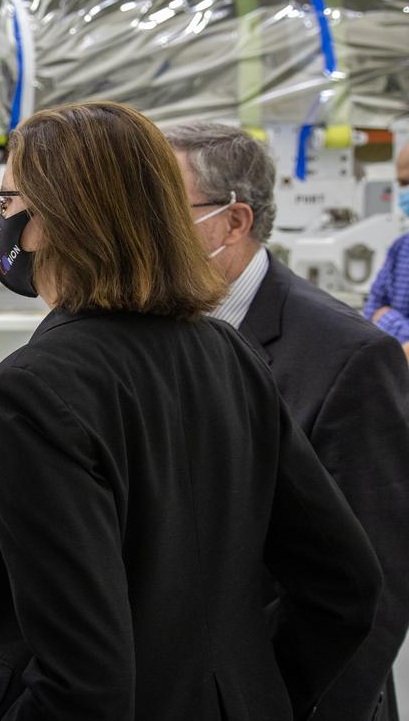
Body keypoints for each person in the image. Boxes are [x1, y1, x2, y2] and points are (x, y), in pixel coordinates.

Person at [0, 102, 382, 721]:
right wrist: (261, 693)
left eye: (7, 202)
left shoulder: (36, 388)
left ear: (52, 223)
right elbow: (348, 587)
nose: (2, 221)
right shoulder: (229, 352)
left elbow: (82, 682)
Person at [168, 122, 409, 721]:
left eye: (163, 208)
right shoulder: (161, 331)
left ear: (233, 222)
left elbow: (375, 585)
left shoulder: (348, 358)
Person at [363, 139, 409, 354]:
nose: (405, 192)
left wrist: (388, 319)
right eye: (403, 183)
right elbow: (372, 310)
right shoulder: (401, 248)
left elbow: (380, 315)